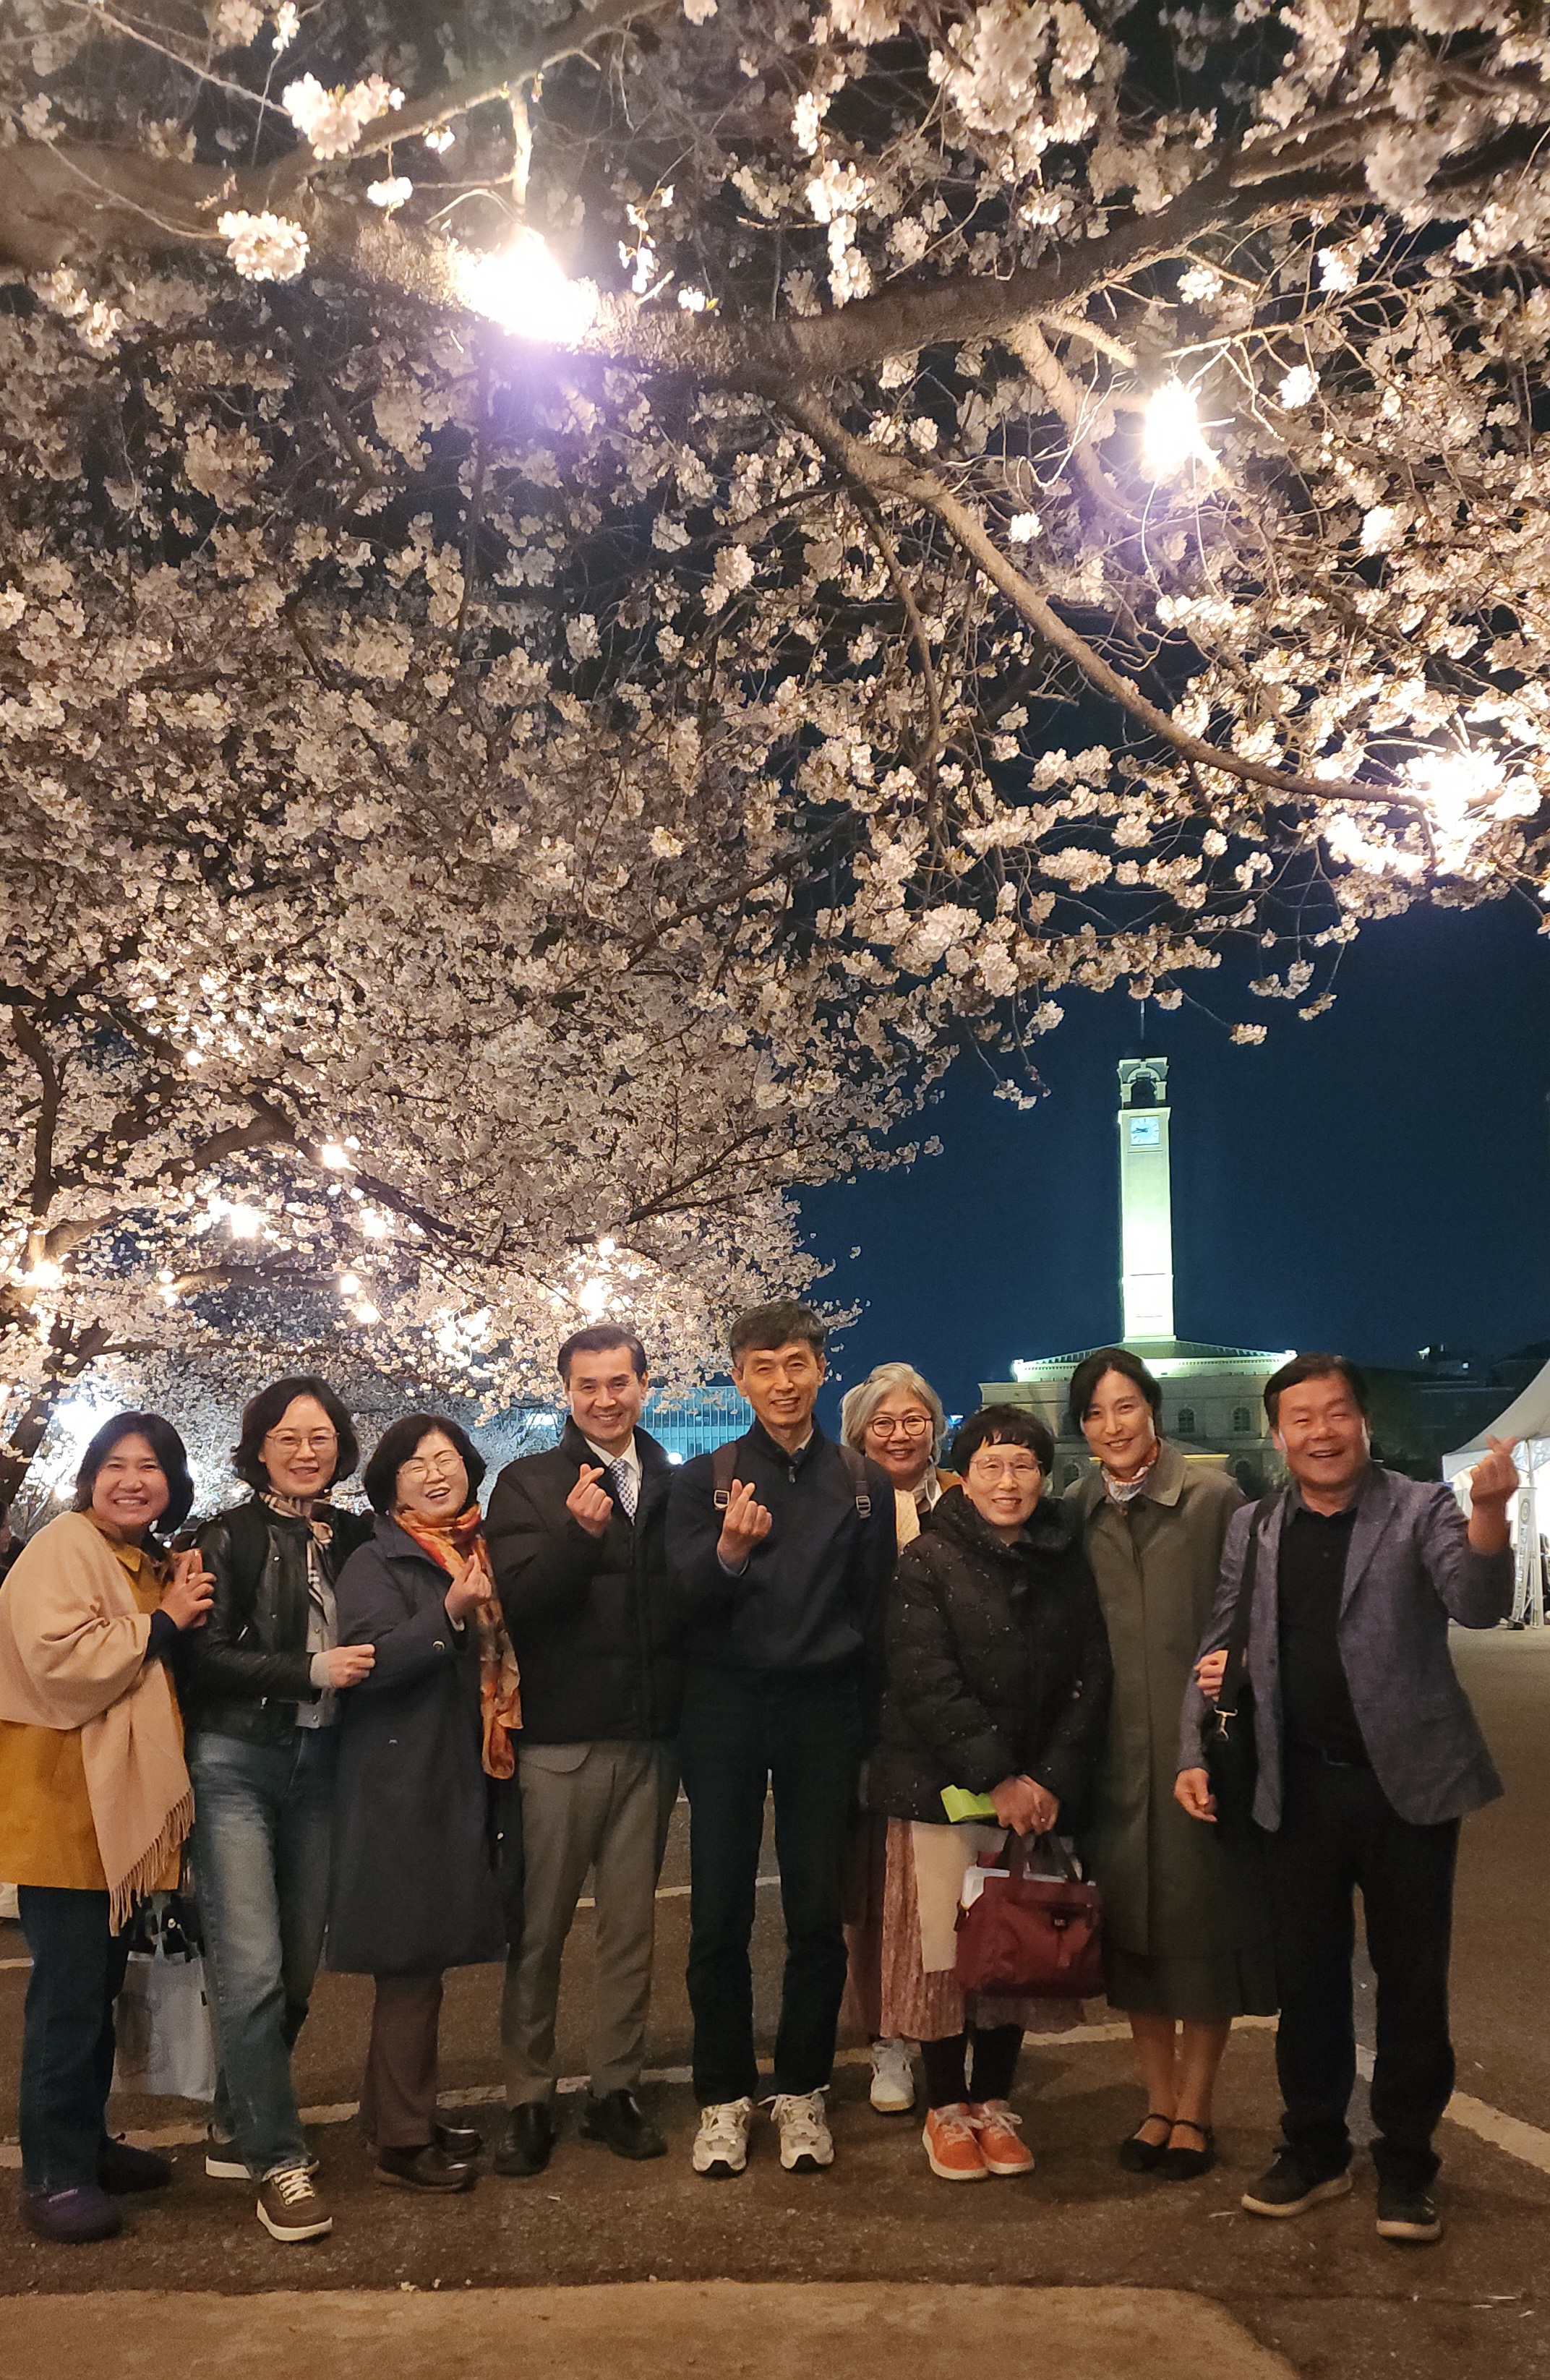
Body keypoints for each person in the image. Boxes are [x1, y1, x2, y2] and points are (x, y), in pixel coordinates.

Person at [1178, 1354, 1517, 2246]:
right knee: (1309, 1981)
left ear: (1362, 1422)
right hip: (1294, 1787)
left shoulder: (1419, 1509)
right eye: (1300, 1417)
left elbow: (1476, 1603)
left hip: (1406, 1785)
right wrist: (1193, 1752)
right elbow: (1216, 1647)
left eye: (1335, 1414)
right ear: (1276, 1432)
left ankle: (1406, 2163)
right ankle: (1314, 2147)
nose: (1319, 1432)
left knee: (1411, 1980)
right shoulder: (1254, 1527)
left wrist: (1486, 1515)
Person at [666, 1299, 895, 2178]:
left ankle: (802, 2092)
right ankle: (723, 2098)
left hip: (822, 1711)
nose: (781, 1382)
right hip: (723, 1707)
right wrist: (726, 1550)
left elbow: (872, 1615)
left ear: (821, 1368)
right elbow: (679, 1602)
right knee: (717, 1909)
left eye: (796, 1362)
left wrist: (869, 1727)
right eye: (762, 1366)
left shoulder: (858, 1478)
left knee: (813, 1911)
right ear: (739, 1377)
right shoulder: (708, 1478)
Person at [867, 1405, 1111, 2181]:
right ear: (962, 1475)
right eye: (990, 1465)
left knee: (1015, 1944)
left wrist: (1048, 1779)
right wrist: (998, 1777)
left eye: (1023, 1465)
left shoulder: (1065, 1556)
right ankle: (945, 2105)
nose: (1007, 1481)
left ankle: (993, 2100)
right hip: (944, 1788)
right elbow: (924, 1677)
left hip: (1036, 1793)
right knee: (945, 1952)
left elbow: (1091, 1674)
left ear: (1043, 1474)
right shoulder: (928, 1558)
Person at [0, 1413, 214, 2242]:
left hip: (108, 1806)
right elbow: (57, 1655)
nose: (133, 1480)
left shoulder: (140, 1557)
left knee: (94, 1989)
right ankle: (52, 2170)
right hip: (63, 1804)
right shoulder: (65, 1543)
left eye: (151, 1467)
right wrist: (162, 1623)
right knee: (66, 1995)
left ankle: (83, 2144)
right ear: (90, 1475)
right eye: (116, 1465)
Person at [1066, 1347, 1274, 2183]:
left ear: (1152, 1410)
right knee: (1134, 1946)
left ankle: (1196, 2108)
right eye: (1094, 1413)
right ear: (1079, 1427)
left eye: (1125, 1407)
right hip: (1113, 1757)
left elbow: (1262, 1609)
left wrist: (1248, 1666)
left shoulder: (1214, 1497)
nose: (1111, 1425)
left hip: (1198, 1754)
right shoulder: (1076, 1507)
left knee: (1200, 1935)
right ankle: (1153, 2101)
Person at [484, 1324, 682, 2178]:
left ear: (645, 1384)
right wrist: (573, 1534)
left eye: (618, 1382)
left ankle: (614, 2088)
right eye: (586, 1385)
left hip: (649, 1740)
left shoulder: (674, 1481)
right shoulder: (528, 1483)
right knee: (541, 1930)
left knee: (631, 1929)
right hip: (559, 1742)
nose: (604, 1399)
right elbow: (517, 1601)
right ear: (565, 1391)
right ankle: (528, 2095)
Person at [184, 1375, 374, 2243]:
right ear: (258, 1444)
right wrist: (307, 1673)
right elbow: (204, 1658)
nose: (307, 1449)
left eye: (322, 1436)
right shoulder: (226, 1535)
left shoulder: (353, 1536)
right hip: (236, 1763)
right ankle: (277, 2160)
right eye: (289, 1436)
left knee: (298, 1968)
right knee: (253, 1966)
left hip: (322, 1765)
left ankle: (235, 2113)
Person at [329, 1414, 521, 2194]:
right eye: (414, 1464)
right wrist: (447, 1611)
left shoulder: (476, 1547)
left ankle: (396, 2115)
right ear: (387, 1484)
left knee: (425, 1958)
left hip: (454, 1770)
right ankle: (403, 2141)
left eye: (446, 1458)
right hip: (401, 1778)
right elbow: (368, 1664)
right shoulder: (378, 1558)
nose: (434, 1472)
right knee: (409, 1961)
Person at [836, 1361, 958, 2118]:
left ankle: (948, 2027)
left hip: (948, 1729)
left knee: (947, 1891)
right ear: (857, 1434)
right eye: (881, 1422)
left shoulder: (965, 1502)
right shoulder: (838, 1504)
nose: (898, 1432)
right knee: (868, 1890)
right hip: (860, 1724)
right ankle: (885, 2037)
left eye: (912, 1418)